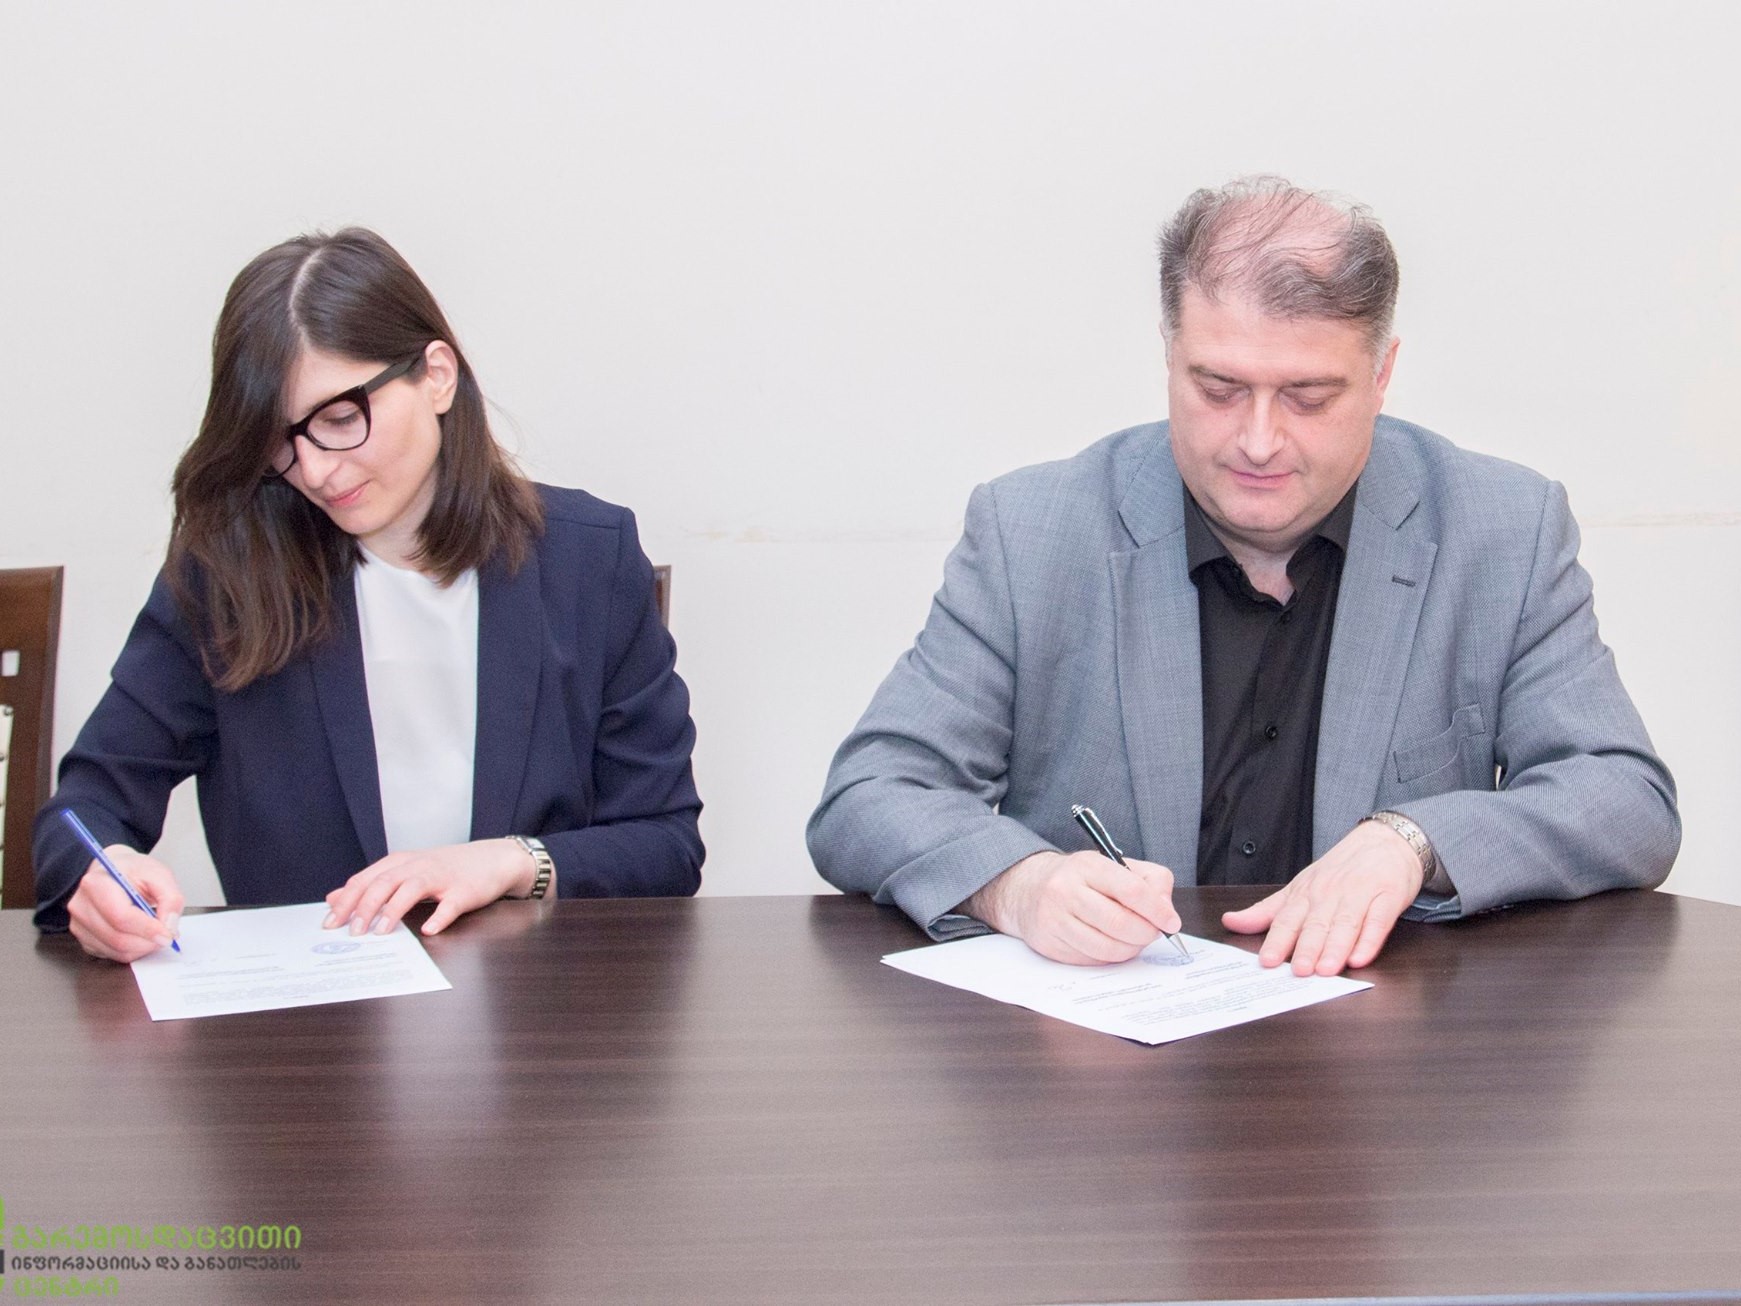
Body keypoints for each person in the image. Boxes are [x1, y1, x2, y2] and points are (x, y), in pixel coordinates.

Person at [808, 176, 1679, 976]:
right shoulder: (1032, 532)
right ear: (1168, 355)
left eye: (1308, 397)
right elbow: (871, 794)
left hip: (1389, 1053)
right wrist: (1019, 885)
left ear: (1381, 375)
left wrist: (1412, 841)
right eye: (1218, 388)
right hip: (1104, 1057)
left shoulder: (1502, 530)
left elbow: (1625, 800)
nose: (1258, 441)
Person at [34, 228, 703, 960]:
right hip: (305, 1015)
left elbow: (666, 845)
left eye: (340, 419)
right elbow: (85, 809)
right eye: (279, 441)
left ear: (436, 376)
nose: (315, 471)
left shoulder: (586, 559)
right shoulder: (228, 574)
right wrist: (103, 874)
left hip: (535, 1006)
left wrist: (514, 862)